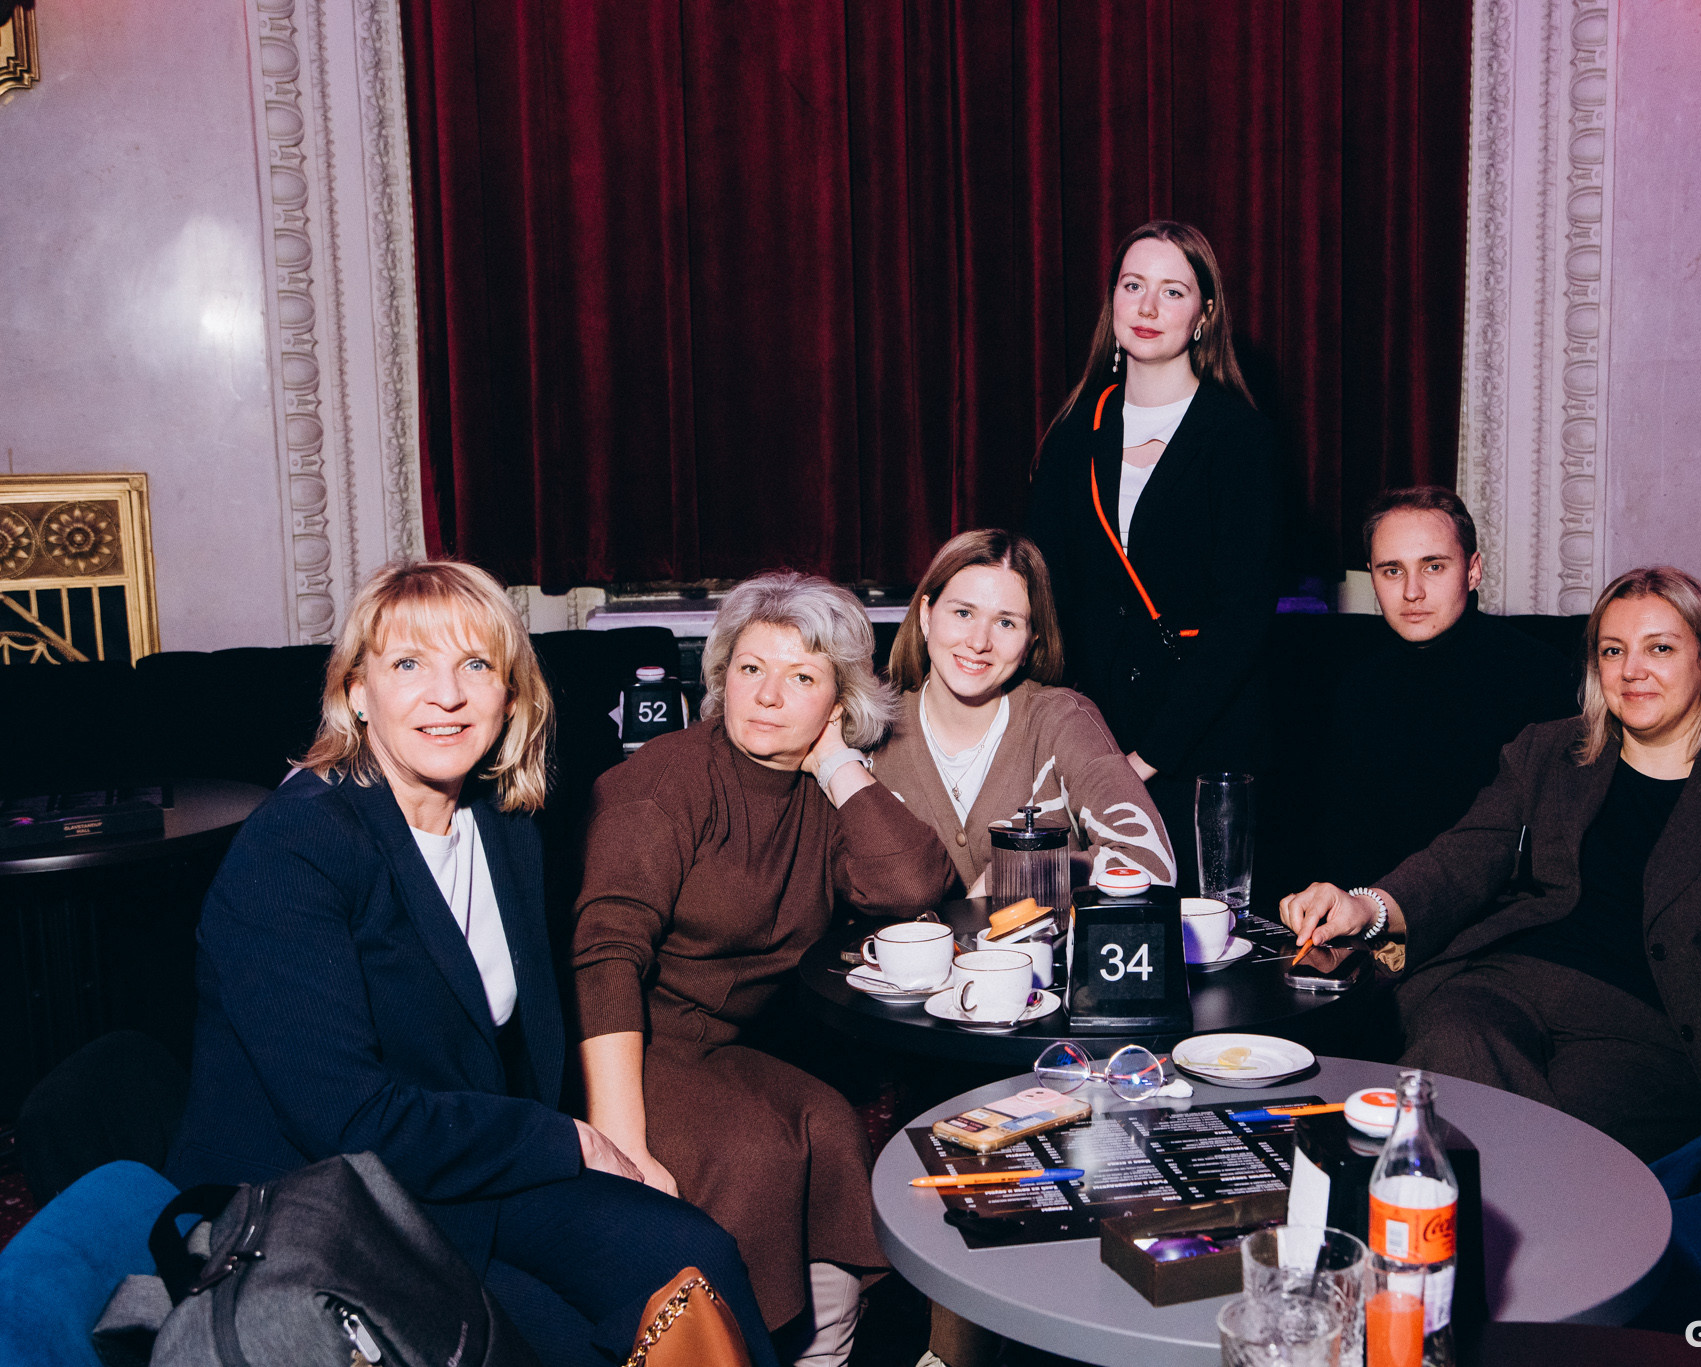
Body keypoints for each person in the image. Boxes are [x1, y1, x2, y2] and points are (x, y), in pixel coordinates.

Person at [166, 560, 777, 1367]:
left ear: (511, 696)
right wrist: (571, 1140)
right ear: (357, 691)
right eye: (408, 664)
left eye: (476, 665)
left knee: (697, 1262)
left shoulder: (501, 821)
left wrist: (592, 1142)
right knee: (551, 1342)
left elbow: (507, 1047)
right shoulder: (295, 847)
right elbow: (349, 1122)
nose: (446, 695)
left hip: (456, 1165)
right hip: (322, 1202)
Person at [1280, 566, 1701, 1161]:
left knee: (1568, 1137)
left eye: (1659, 648)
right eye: (1613, 650)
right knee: (1451, 1039)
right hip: (1507, 984)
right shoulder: (1549, 753)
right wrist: (1365, 906)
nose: (1632, 670)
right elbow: (1464, 855)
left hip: (1650, 1031)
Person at [574, 571, 955, 1366]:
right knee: (755, 1150)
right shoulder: (665, 784)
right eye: (751, 668)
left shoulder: (820, 789)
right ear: (723, 675)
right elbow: (605, 954)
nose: (769, 695)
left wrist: (838, 763)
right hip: (627, 1042)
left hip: (720, 1046)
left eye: (803, 677)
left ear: (839, 702)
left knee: (831, 1127)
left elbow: (914, 883)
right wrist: (620, 1143)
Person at [1027, 220, 1280, 885]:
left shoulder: (1241, 438)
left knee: (1199, 933)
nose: (1147, 307)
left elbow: (1242, 620)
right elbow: (1045, 595)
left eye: (1173, 291)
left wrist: (1148, 756)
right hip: (1092, 740)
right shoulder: (1074, 430)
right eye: (1132, 285)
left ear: (1204, 315)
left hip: (1202, 749)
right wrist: (1072, 747)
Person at [1277, 486, 1578, 895]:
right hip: (1370, 913)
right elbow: (1338, 842)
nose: (1412, 592)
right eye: (1392, 570)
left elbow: (1547, 857)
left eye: (1433, 567)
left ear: (1473, 570)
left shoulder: (1541, 677)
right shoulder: (1353, 685)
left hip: (1497, 919)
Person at [870, 528, 1174, 894]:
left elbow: (1152, 865)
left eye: (1006, 622)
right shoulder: (869, 726)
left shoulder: (1062, 722)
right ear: (926, 614)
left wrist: (1016, 873)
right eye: (963, 612)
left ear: (1030, 642)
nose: (979, 642)